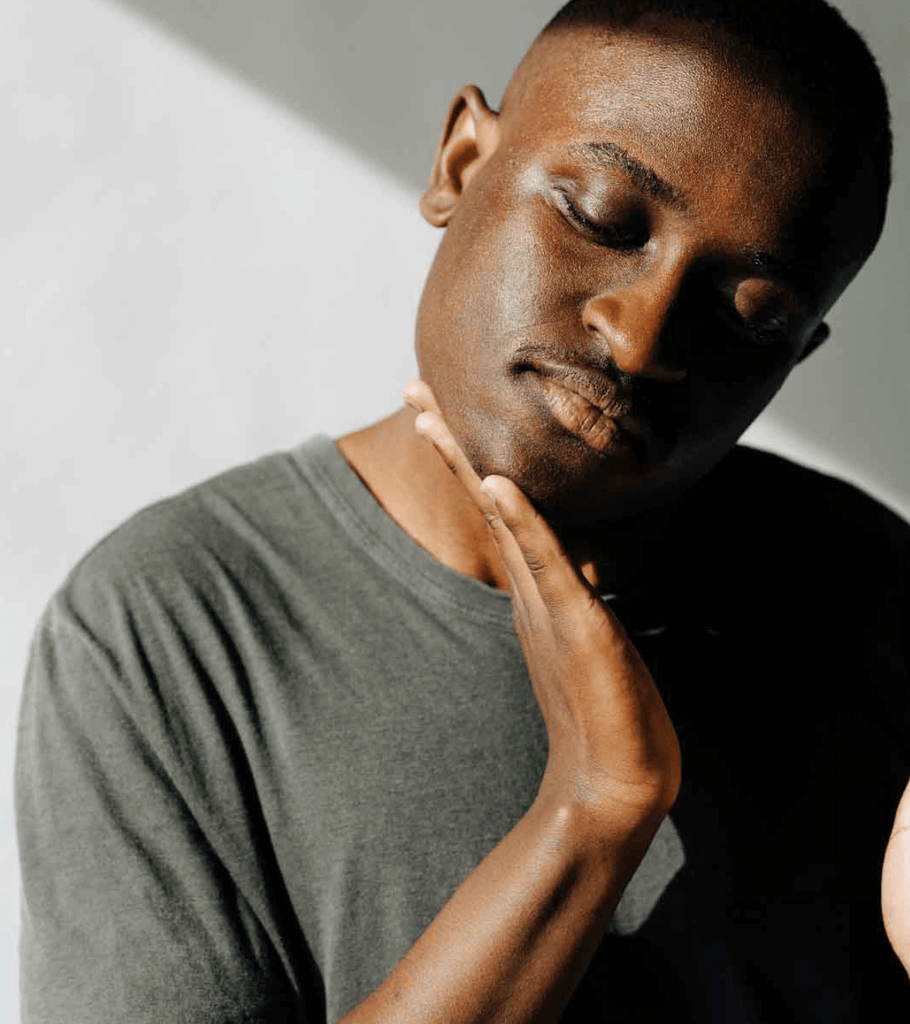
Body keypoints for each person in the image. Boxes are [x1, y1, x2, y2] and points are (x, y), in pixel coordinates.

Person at [15, 0, 910, 1021]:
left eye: (752, 313)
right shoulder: (174, 628)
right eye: (600, 217)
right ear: (460, 162)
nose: (640, 335)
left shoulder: (866, 593)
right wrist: (588, 812)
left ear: (797, 357)